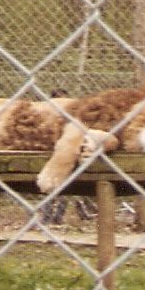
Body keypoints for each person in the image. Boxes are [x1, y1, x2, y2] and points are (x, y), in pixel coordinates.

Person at [38, 89, 96, 226]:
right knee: (51, 190)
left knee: (65, 193)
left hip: (69, 158)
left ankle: (58, 218)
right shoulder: (48, 115)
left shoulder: (73, 116)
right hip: (51, 158)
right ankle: (46, 218)